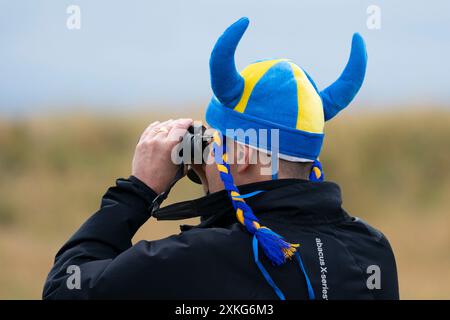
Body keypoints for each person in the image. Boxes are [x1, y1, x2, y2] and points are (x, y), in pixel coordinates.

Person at [43, 17, 399, 300]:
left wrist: (137, 190)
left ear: (242, 156)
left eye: (213, 142)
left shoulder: (203, 259)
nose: (205, 153)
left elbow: (64, 288)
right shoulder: (372, 250)